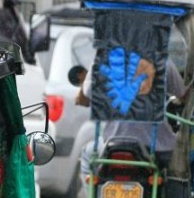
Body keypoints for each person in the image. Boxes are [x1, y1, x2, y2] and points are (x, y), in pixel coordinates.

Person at [76, 57, 186, 186]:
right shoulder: (162, 60)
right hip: (156, 147)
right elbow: (183, 95)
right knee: (180, 169)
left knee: (87, 155)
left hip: (114, 142)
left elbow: (87, 94)